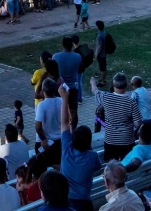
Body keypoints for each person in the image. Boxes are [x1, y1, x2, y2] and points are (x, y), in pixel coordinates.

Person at [58, 83, 102, 211]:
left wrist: (64, 98)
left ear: (72, 140)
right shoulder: (92, 156)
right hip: (84, 204)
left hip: (65, 202)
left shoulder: (66, 147)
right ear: (89, 143)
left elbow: (65, 122)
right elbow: (97, 169)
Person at [91, 72, 141, 161]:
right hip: (127, 140)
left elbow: (95, 91)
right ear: (126, 86)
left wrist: (93, 83)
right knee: (126, 163)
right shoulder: (131, 102)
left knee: (111, 167)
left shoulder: (105, 97)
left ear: (113, 85)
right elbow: (138, 124)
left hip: (110, 140)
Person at [53, 36, 82, 130]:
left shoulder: (56, 56)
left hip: (60, 88)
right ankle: (73, 130)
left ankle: (62, 130)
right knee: (74, 111)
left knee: (60, 110)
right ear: (72, 45)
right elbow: (81, 69)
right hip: (73, 87)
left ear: (63, 45)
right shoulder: (77, 57)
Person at [35, 78, 63, 163]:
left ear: (43, 90)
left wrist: (43, 140)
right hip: (59, 140)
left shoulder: (42, 105)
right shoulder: (61, 100)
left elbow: (38, 126)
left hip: (46, 142)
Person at [72, 34, 93, 104]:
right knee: (79, 82)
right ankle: (79, 97)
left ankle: (78, 98)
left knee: (77, 83)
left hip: (77, 70)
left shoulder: (75, 53)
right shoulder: (82, 48)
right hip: (82, 68)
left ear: (72, 43)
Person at [95, 21, 109, 87]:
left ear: (98, 27)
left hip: (101, 54)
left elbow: (99, 47)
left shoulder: (99, 36)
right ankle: (104, 79)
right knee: (104, 67)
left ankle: (103, 82)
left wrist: (96, 54)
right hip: (105, 52)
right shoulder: (104, 33)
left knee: (102, 68)